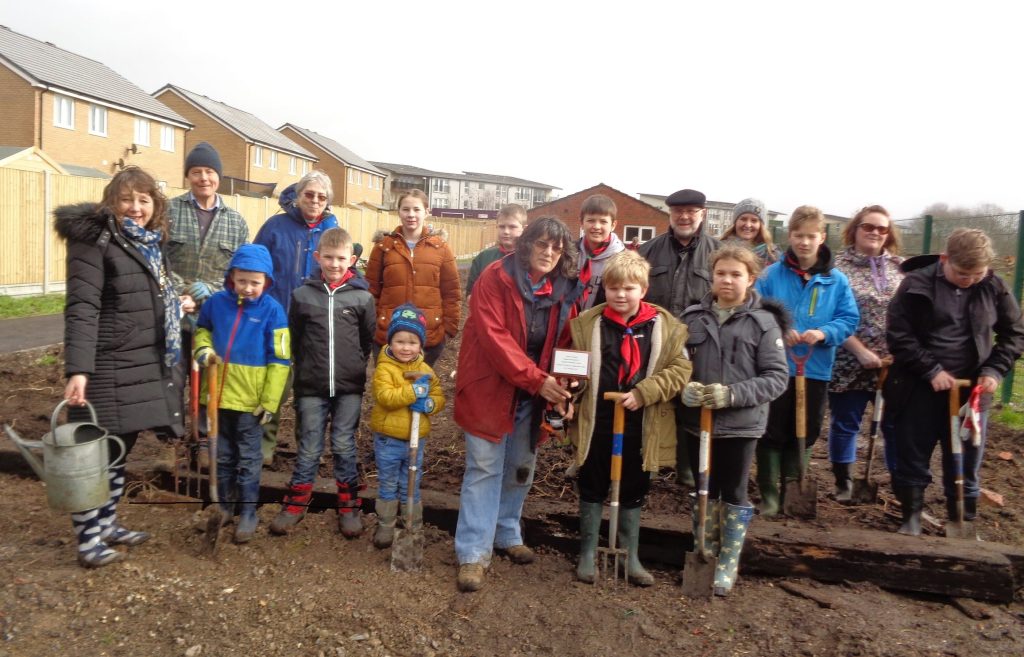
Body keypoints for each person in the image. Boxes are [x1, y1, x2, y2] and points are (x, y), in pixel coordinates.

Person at [55, 166, 185, 567]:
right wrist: (78, 370)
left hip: (139, 362)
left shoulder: (148, 243)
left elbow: (150, 296)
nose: (135, 207)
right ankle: (88, 541)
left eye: (143, 200)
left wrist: (175, 303)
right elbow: (82, 307)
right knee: (92, 456)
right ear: (111, 201)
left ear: (155, 205)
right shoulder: (94, 241)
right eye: (126, 199)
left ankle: (107, 524)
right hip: (106, 365)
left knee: (118, 450)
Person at [453, 216, 581, 592]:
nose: (549, 253)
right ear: (526, 245)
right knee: (484, 467)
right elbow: (495, 339)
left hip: (533, 391)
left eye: (557, 248)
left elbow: (568, 340)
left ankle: (506, 532)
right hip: (489, 386)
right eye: (542, 244)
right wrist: (539, 380)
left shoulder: (563, 288)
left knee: (521, 465)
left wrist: (566, 383)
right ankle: (473, 552)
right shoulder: (495, 278)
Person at [884, 228, 1024, 536]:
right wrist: (930, 370)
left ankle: (962, 517)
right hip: (918, 387)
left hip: (972, 391)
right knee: (913, 453)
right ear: (945, 259)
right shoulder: (915, 285)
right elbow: (898, 334)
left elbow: (1014, 334)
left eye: (977, 274)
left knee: (967, 456)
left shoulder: (994, 286)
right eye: (962, 273)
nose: (970, 280)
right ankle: (911, 517)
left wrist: (994, 370)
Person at [567, 251, 691, 586]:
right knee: (592, 482)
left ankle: (630, 554)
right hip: (598, 420)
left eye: (629, 288)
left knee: (634, 485)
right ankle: (588, 552)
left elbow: (680, 370)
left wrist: (644, 392)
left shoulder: (665, 327)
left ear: (644, 289)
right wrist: (573, 384)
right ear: (605, 289)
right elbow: (575, 366)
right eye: (614, 288)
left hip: (641, 422)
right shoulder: (589, 324)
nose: (621, 294)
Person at [680, 245, 789, 595]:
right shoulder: (693, 318)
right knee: (703, 487)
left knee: (734, 489)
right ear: (712, 277)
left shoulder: (763, 323)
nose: (727, 280)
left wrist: (732, 395)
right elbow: (676, 364)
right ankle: (704, 550)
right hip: (698, 422)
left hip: (741, 424)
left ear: (751, 279)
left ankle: (728, 561)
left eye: (736, 274)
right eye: (721, 274)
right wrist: (682, 388)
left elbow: (776, 378)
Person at [269, 228, 375, 538]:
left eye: (341, 258)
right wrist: (305, 369)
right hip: (311, 385)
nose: (334, 264)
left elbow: (366, 340)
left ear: (351, 260)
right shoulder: (302, 296)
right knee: (309, 445)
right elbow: (296, 337)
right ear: (317, 258)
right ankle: (296, 502)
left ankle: (348, 505)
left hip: (348, 386)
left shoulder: (362, 297)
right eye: (328, 257)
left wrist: (353, 367)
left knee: (343, 444)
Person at [753, 206, 859, 517]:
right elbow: (755, 309)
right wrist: (778, 329)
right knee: (771, 429)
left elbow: (849, 319)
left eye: (811, 236)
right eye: (798, 235)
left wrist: (823, 333)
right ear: (790, 236)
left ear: (822, 237)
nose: (804, 242)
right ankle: (770, 496)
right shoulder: (771, 275)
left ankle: (793, 490)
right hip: (774, 366)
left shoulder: (836, 280)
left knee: (807, 429)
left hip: (815, 367)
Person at [193, 244, 290, 543]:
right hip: (217, 397)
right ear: (231, 277)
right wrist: (203, 350)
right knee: (221, 455)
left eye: (255, 282)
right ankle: (224, 507)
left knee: (249, 459)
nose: (248, 288)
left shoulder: (273, 311)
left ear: (267, 282)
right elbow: (202, 330)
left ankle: (248, 511)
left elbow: (280, 361)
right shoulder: (215, 304)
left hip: (251, 403)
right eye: (242, 281)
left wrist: (269, 402)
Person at [167, 141, 249, 471]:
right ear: (188, 176)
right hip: (174, 313)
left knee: (208, 380)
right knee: (172, 378)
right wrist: (181, 293)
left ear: (219, 176)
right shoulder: (169, 211)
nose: (203, 178)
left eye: (210, 172)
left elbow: (240, 272)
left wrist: (210, 291)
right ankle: (172, 441)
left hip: (214, 316)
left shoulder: (235, 221)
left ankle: (202, 440)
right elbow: (157, 259)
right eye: (196, 172)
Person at [254, 170, 339, 465]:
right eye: (309, 194)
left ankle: (308, 448)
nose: (314, 201)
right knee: (274, 384)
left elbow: (341, 271)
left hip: (314, 323)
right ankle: (264, 446)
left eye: (321, 197)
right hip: (277, 318)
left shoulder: (331, 230)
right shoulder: (275, 227)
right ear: (298, 196)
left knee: (310, 388)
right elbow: (258, 268)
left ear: (327, 201)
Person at [639, 188, 721, 487]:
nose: (684, 217)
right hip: (654, 342)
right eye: (678, 211)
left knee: (692, 405)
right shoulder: (648, 251)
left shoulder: (717, 253)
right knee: (652, 400)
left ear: (702, 213)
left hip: (698, 345)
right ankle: (650, 463)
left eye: (691, 211)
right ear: (670, 213)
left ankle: (687, 470)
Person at [826, 206, 904, 500]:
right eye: (868, 227)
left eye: (882, 229)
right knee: (846, 422)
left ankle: (901, 484)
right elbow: (831, 313)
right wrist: (859, 351)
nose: (875, 233)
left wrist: (900, 352)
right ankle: (843, 483)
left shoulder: (900, 268)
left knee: (894, 424)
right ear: (855, 229)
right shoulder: (837, 268)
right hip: (849, 360)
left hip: (892, 363)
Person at [369, 304, 445, 549]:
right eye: (400, 341)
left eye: (412, 342)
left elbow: (439, 396)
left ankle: (412, 524)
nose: (405, 347)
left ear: (420, 345)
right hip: (389, 439)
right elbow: (386, 397)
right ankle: (386, 524)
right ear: (390, 342)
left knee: (411, 481)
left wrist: (429, 403)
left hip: (415, 440)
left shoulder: (425, 370)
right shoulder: (384, 368)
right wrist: (413, 392)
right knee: (389, 483)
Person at [366, 189, 461, 366]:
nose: (411, 214)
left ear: (426, 212)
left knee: (421, 383)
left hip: (429, 336)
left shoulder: (441, 249)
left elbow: (451, 293)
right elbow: (371, 291)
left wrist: (448, 329)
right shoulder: (383, 247)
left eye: (416, 209)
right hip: (388, 335)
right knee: (387, 382)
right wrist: (375, 325)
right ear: (399, 212)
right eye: (406, 209)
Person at [576, 194, 626, 312]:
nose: (597, 226)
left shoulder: (623, 260)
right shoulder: (570, 253)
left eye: (603, 221)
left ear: (613, 225)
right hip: (569, 319)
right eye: (591, 220)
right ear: (581, 223)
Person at [465, 204, 527, 300]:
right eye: (502, 226)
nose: (506, 231)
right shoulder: (483, 257)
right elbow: (470, 294)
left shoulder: (530, 259)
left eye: (512, 227)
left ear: (524, 229)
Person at [720, 197, 782, 266]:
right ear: (735, 222)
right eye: (743, 219)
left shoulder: (773, 256)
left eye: (754, 220)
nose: (748, 225)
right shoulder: (718, 249)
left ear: (761, 225)